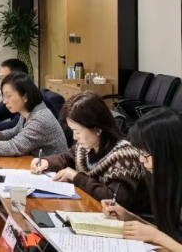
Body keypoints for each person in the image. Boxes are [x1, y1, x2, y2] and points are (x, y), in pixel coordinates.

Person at [31, 92, 146, 210]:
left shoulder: (125, 157)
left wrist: (77, 177)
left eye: (78, 132)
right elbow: (66, 158)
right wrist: (46, 162)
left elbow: (114, 201)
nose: (75, 137)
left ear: (97, 130)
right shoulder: (87, 146)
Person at [102, 109, 182, 250]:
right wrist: (128, 217)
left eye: (146, 154)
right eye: (140, 152)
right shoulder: (166, 179)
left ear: (167, 152)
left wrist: (156, 236)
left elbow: (161, 236)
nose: (141, 159)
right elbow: (170, 233)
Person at [0, 72, 67, 157]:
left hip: (52, 173)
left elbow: (13, 147)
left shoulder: (40, 119)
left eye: (8, 96)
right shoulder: (28, 110)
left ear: (25, 96)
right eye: (3, 96)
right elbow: (16, 131)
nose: (5, 101)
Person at [0, 59, 65, 130]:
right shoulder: (13, 96)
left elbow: (14, 126)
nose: (0, 83)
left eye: (4, 78)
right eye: (0, 78)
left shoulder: (36, 100)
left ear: (18, 78)